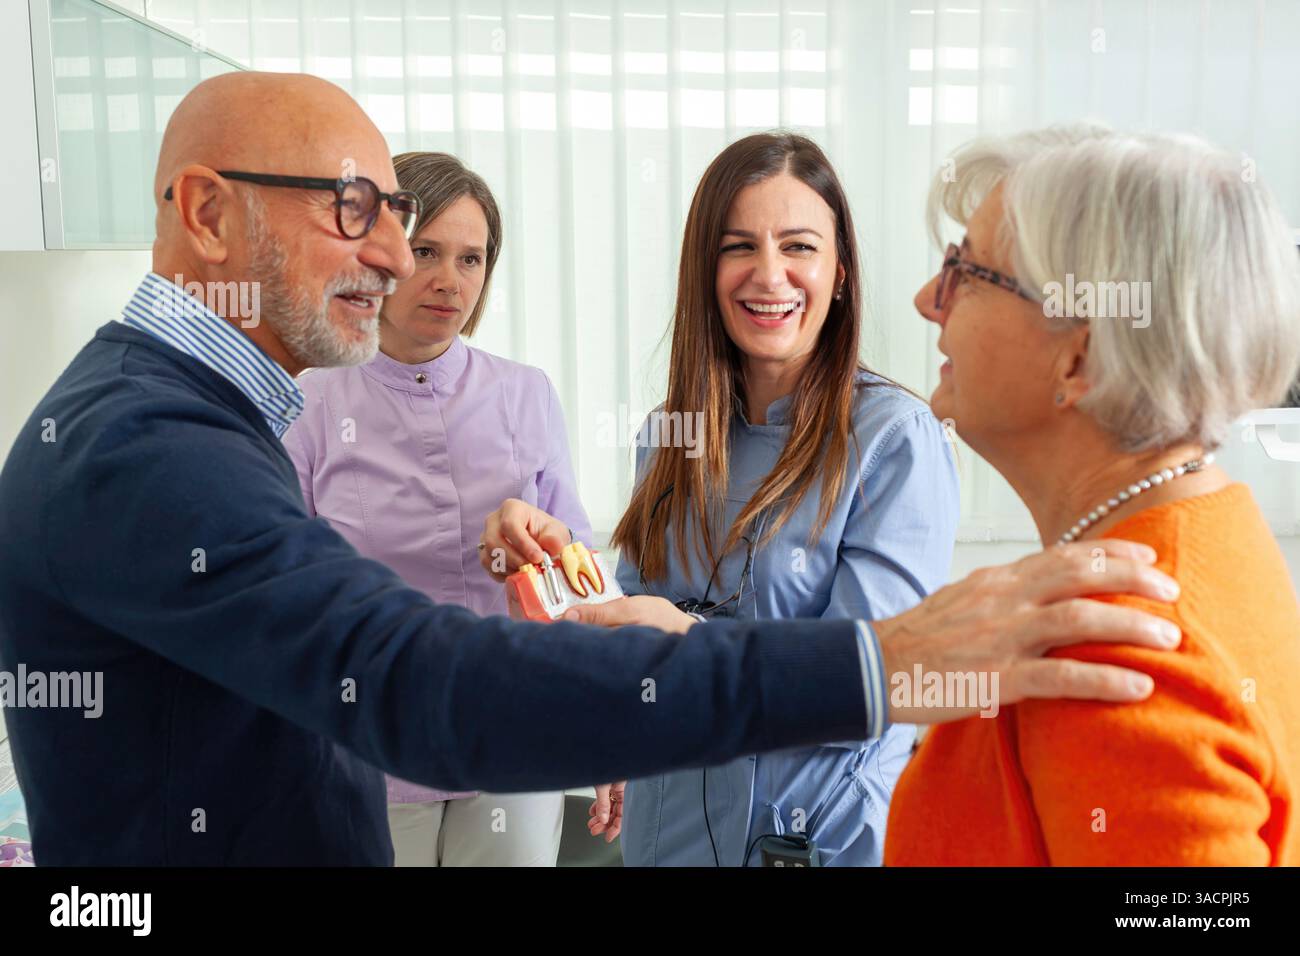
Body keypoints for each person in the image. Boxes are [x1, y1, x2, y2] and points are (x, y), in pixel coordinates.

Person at [0, 72, 1184, 866]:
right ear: (207, 212)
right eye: (354, 207)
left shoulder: (194, 414)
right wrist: (872, 658)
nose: (400, 254)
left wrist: (640, 624)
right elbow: (412, 680)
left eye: (408, 221)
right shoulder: (146, 445)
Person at [500, 132, 959, 866]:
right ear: (706, 271)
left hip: (812, 841)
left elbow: (868, 684)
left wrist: (687, 643)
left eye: (800, 247)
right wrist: (555, 567)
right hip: (664, 831)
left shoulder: (892, 440)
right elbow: (635, 625)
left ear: (840, 272)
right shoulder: (670, 435)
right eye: (738, 246)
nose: (769, 275)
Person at [884, 125, 1300, 865]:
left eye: (967, 273)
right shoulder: (1208, 521)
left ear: (1080, 357)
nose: (927, 300)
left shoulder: (1117, 656)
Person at [284, 152, 580, 866]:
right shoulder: (310, 398)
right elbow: (283, 587)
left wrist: (542, 547)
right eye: (426, 252)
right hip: (368, 749)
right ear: (379, 253)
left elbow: (576, 580)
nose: (452, 280)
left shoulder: (526, 393)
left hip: (510, 743)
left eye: (472, 259)